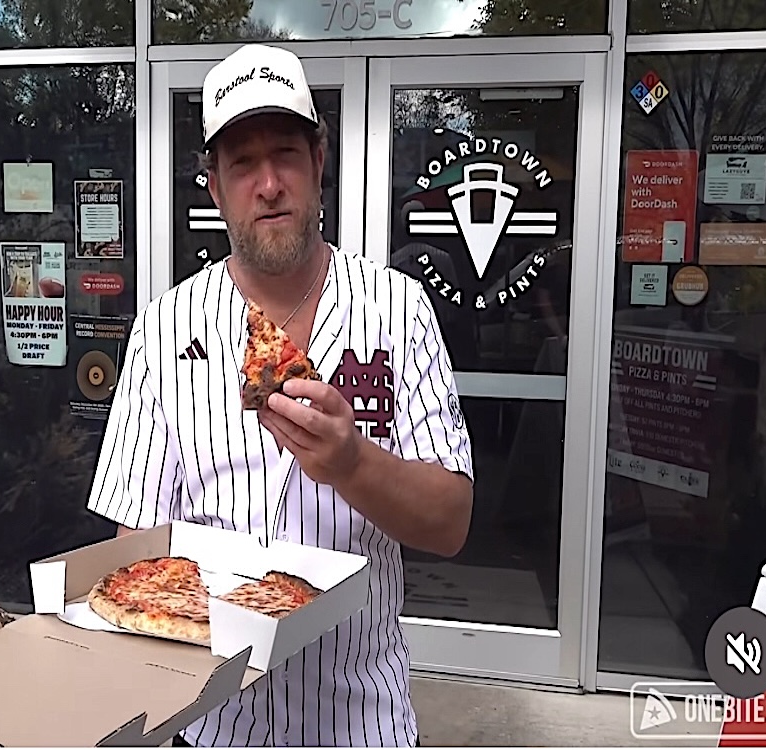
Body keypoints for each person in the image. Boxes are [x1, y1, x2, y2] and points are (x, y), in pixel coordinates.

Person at [85, 43, 475, 748]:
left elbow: (449, 523)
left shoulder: (398, 308)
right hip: (210, 729)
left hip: (363, 724)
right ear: (213, 185)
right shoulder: (164, 328)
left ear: (318, 161)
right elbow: (135, 550)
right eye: (242, 163)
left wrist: (353, 463)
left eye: (285, 154)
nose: (268, 184)